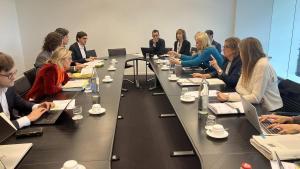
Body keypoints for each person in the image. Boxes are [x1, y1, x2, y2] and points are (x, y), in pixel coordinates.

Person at [217, 37, 283, 112]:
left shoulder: (262, 65)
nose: (239, 54)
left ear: (247, 52)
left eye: (241, 51)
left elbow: (255, 98)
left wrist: (228, 97)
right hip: (253, 105)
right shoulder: (248, 63)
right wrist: (250, 95)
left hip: (269, 110)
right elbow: (238, 87)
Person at [0, 52, 54, 129]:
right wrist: (28, 118)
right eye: (9, 75)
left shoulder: (8, 87)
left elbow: (20, 103)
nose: (14, 77)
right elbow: (2, 130)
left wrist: (38, 106)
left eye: (15, 72)